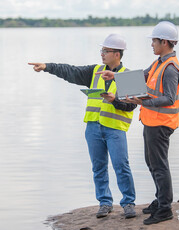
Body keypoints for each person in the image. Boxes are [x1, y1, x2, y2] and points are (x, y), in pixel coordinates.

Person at [28, 33, 137, 219]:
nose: (102, 54)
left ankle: (128, 203)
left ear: (117, 54)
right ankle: (104, 202)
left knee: (122, 166)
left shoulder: (129, 76)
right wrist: (47, 67)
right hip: (93, 128)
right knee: (98, 167)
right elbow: (70, 71)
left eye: (106, 51)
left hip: (115, 129)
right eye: (101, 50)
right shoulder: (94, 71)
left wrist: (114, 101)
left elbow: (133, 105)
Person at [96, 21, 179, 225]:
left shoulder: (170, 68)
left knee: (159, 166)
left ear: (165, 42)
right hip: (152, 121)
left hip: (161, 123)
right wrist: (115, 75)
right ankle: (160, 200)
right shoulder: (160, 62)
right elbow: (142, 76)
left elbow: (169, 98)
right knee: (152, 163)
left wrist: (140, 101)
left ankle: (165, 209)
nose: (151, 44)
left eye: (154, 40)